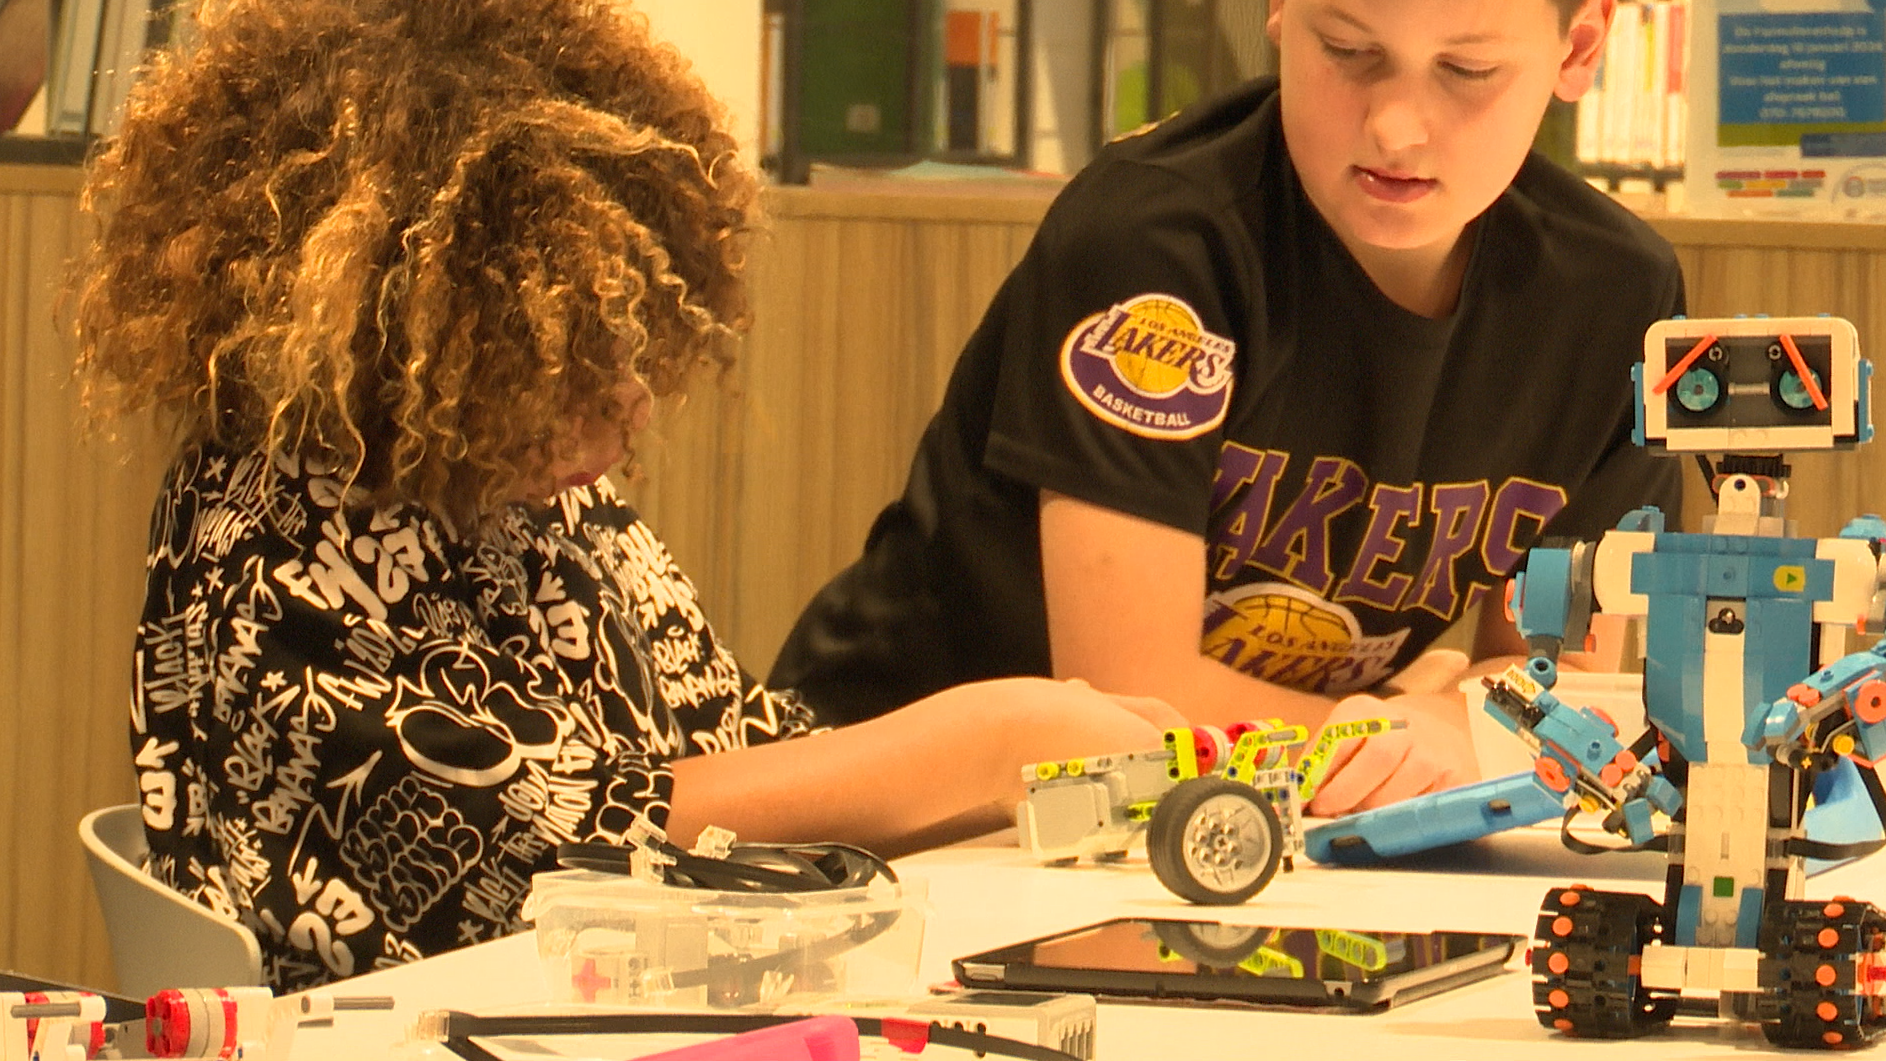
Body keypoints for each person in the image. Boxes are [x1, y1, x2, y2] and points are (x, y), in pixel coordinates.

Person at [72, 0, 1182, 990]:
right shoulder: (269, 553)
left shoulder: (519, 496)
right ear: (398, 339)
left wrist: (1026, 768)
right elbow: (555, 846)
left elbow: (737, 746)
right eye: (563, 369)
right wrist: (984, 736)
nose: (632, 404)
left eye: (631, 346)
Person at [769, 0, 1684, 817]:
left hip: (1254, 817)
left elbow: (1549, 685)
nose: (1397, 126)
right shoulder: (1155, 239)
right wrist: (1425, 727)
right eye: (1349, 49)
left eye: (1468, 70)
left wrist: (1456, 718)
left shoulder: (1614, 298)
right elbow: (1130, 698)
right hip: (910, 812)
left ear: (1581, 47)